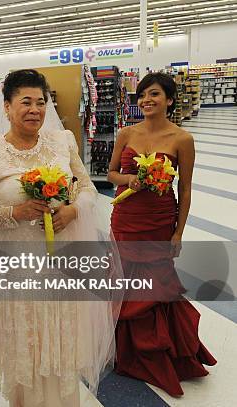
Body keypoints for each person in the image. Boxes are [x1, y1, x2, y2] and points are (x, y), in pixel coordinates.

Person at [0, 69, 120, 406]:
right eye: (25, 102)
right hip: (19, 266)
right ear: (7, 107)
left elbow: (86, 187)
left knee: (61, 339)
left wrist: (73, 210)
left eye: (41, 102)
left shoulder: (62, 140)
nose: (35, 109)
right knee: (28, 341)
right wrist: (14, 214)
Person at [108, 72, 216, 397]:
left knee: (156, 288)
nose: (146, 101)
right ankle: (123, 350)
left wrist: (178, 232)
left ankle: (158, 351)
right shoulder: (126, 133)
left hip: (158, 222)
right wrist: (129, 181)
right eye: (142, 96)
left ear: (169, 99)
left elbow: (184, 188)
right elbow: (113, 172)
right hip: (126, 219)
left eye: (154, 94)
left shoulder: (182, 139)